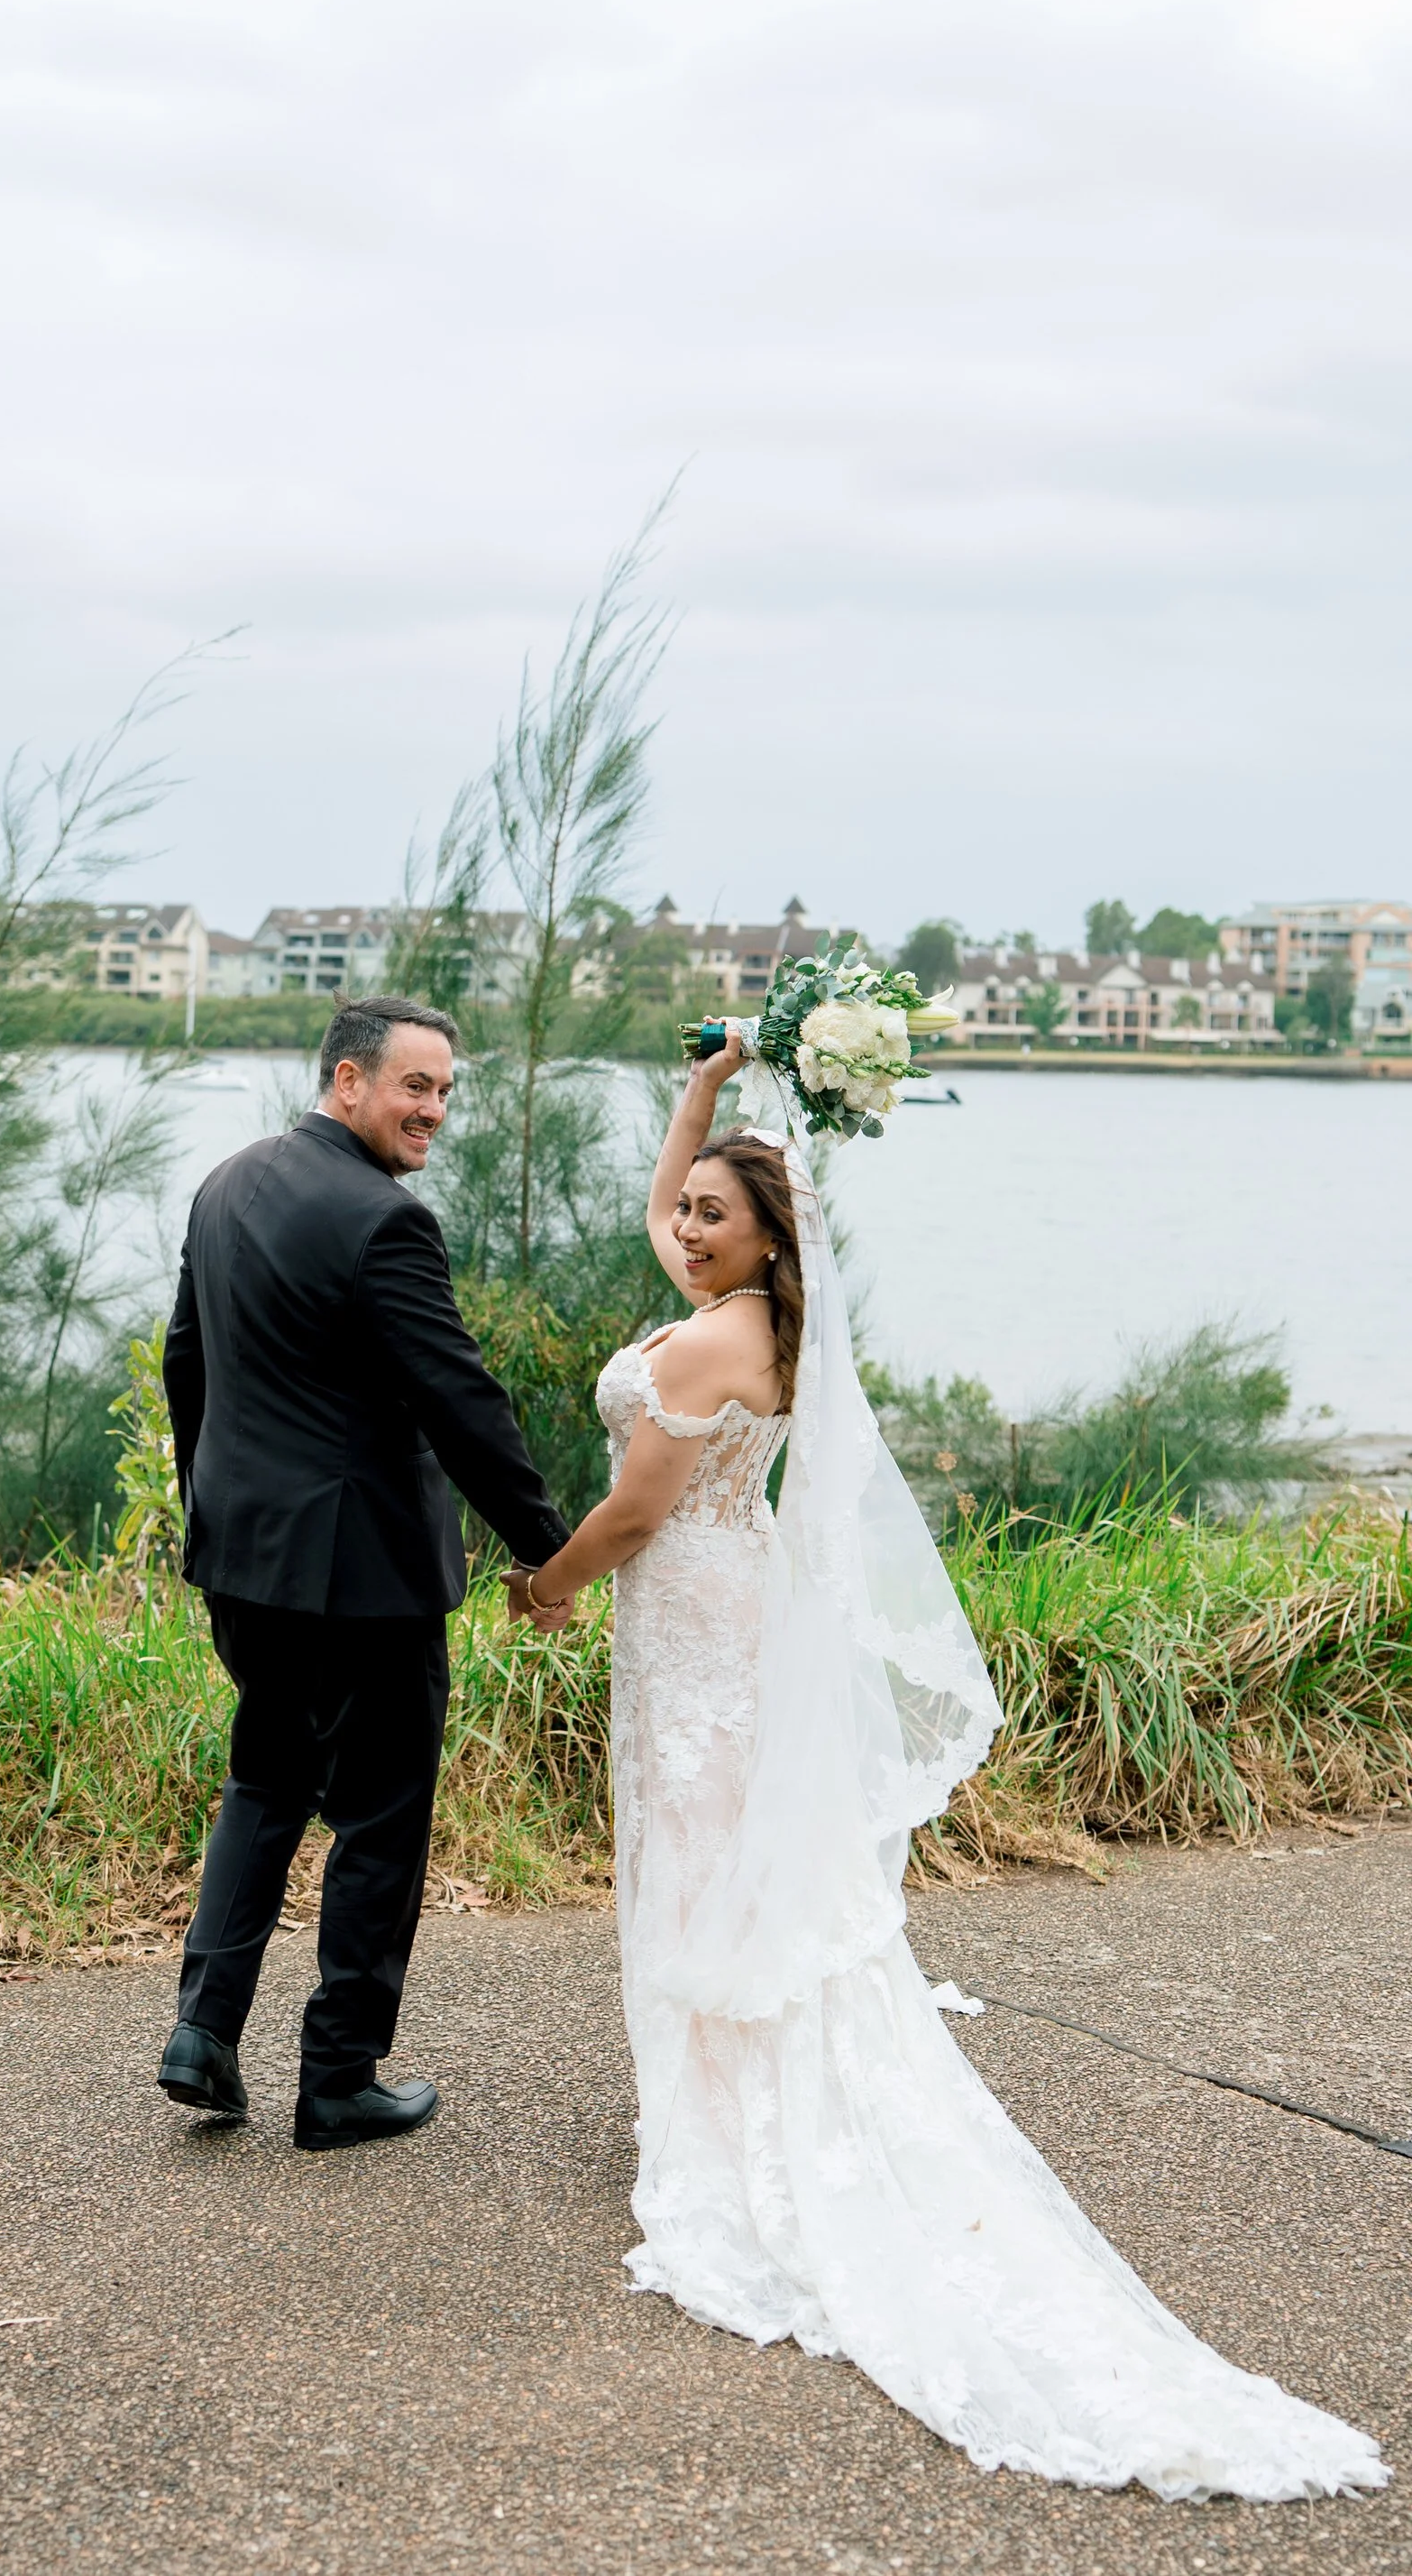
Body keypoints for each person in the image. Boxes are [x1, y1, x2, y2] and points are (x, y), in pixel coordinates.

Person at [508, 1026, 1388, 2501]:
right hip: (705, 1620)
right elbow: (668, 1211)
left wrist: (546, 1582)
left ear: (765, 1235)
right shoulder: (741, 1307)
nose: (683, 1225)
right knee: (698, 1847)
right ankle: (711, 2089)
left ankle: (729, 2124)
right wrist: (703, 1095)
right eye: (692, 1211)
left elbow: (634, 1512)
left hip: (696, 1616)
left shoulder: (724, 1337)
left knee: (700, 1847)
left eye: (714, 1212)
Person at [156, 995, 573, 2152]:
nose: (433, 1108)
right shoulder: (384, 1220)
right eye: (413, 1086)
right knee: (382, 1817)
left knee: (266, 1779)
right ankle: (337, 2077)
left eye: (444, 1089)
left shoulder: (226, 1181)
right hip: (364, 1576)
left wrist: (218, 1504)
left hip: (243, 1557)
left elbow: (188, 1363)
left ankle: (203, 2030)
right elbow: (459, 1399)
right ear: (348, 1081)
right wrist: (546, 1546)